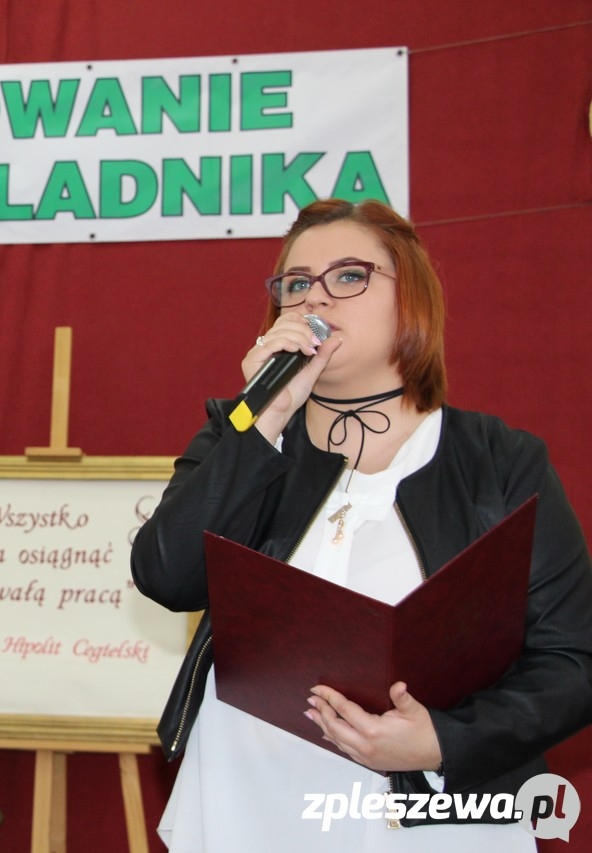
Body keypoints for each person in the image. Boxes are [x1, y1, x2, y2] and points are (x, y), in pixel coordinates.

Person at [131, 198, 592, 850]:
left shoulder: (500, 462)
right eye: (296, 284)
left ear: (413, 300)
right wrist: (262, 417)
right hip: (245, 808)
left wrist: (442, 739)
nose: (315, 297)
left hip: (432, 822)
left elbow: (574, 662)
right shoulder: (237, 434)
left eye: (349, 275)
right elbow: (165, 575)